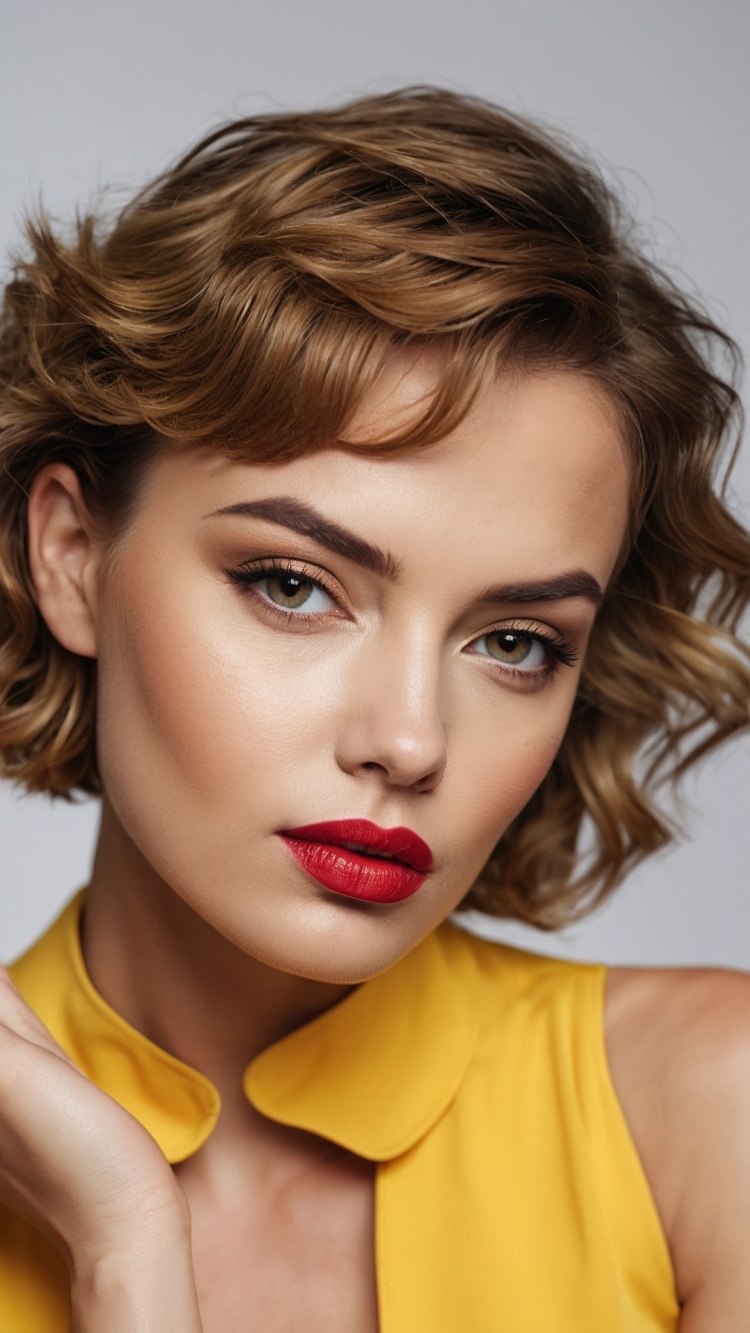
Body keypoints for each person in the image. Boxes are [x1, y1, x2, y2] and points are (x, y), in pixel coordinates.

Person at [0, 86, 748, 1333]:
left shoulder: (706, 1110)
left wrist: (132, 1261)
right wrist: (117, 1228)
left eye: (514, 642)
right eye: (294, 586)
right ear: (75, 554)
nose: (408, 742)